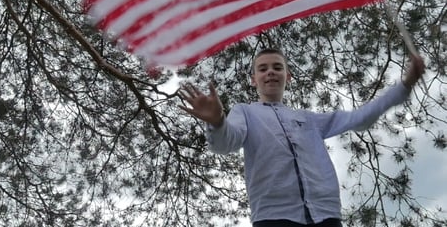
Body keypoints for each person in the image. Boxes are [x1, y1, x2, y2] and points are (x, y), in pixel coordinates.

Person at [178, 48, 425, 227]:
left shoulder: (308, 119)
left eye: (278, 67)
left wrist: (405, 85)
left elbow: (359, 118)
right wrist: (217, 121)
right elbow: (225, 143)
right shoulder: (246, 112)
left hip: (326, 216)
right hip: (273, 217)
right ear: (254, 80)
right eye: (263, 69)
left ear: (289, 76)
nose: (271, 73)